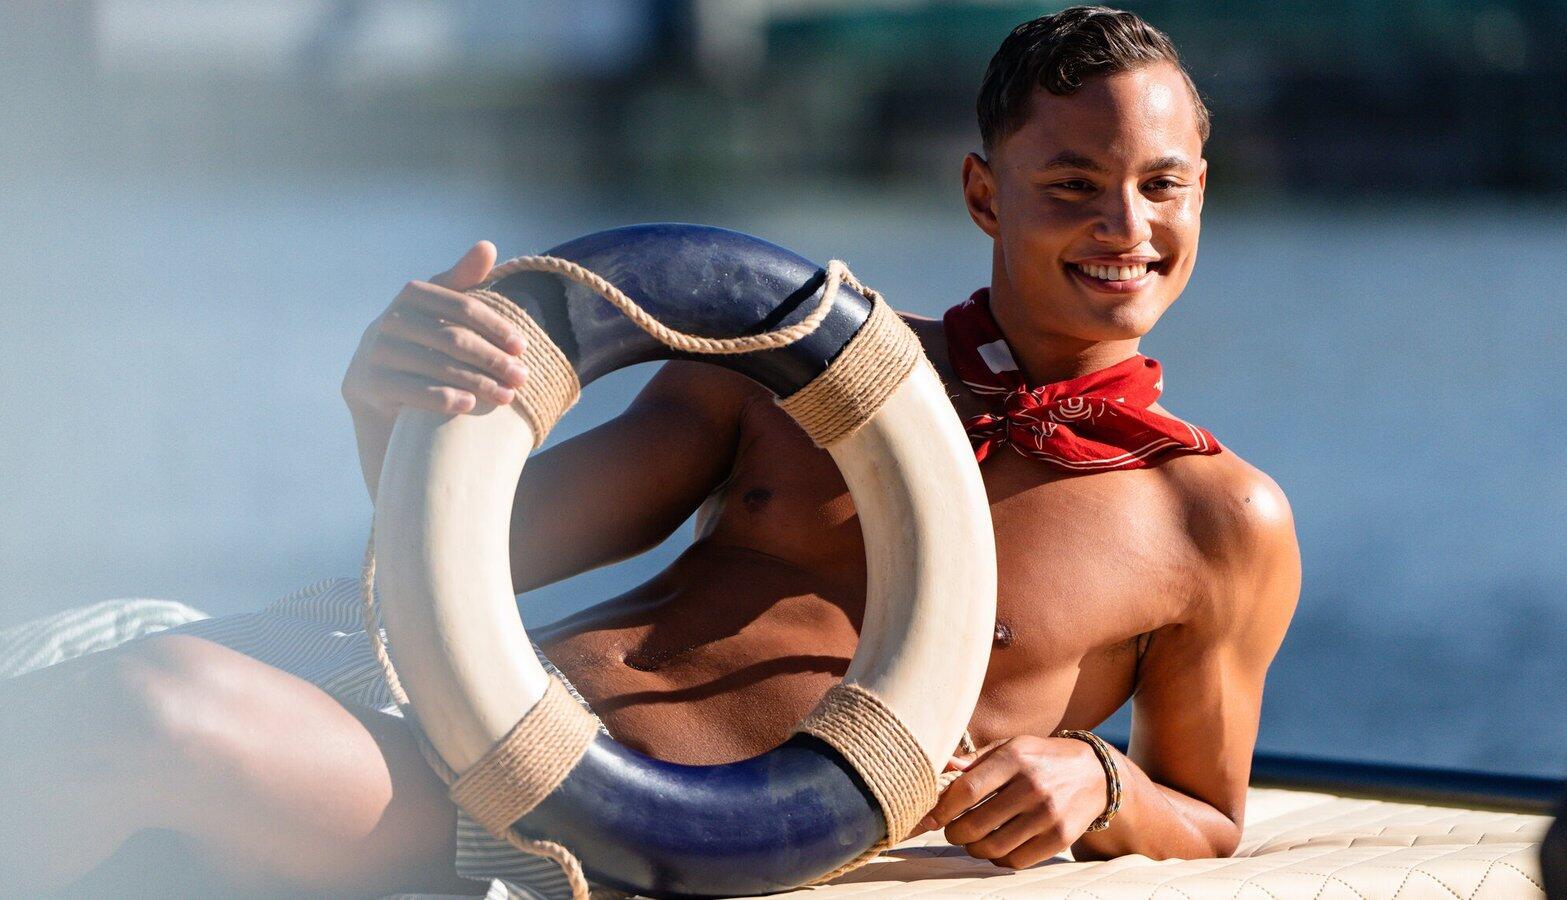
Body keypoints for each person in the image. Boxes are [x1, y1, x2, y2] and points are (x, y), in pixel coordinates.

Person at [0, 6, 1299, 898]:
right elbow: (482, 557)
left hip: (567, 842)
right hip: (418, 713)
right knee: (94, 712)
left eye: (1161, 184)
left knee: (136, 718)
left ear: (1200, 189)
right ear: (983, 193)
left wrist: (1101, 781)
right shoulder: (796, 362)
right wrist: (392, 412)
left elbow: (1210, 814)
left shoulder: (1217, 522)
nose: (1124, 225)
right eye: (1071, 184)